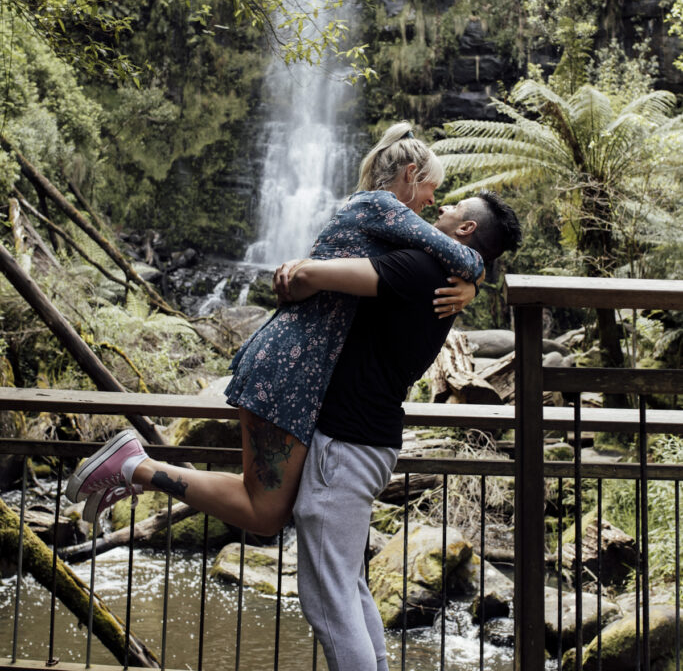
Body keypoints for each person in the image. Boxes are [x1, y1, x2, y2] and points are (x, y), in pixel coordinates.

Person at [66, 123, 483, 530]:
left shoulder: (373, 212)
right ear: (410, 174)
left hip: (294, 364)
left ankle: (133, 471)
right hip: (291, 365)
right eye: (431, 188)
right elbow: (463, 256)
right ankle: (136, 466)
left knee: (266, 507)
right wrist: (474, 282)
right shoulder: (382, 205)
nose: (433, 201)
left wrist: (471, 287)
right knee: (264, 511)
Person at [275, 192, 522, 671]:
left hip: (346, 441)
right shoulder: (443, 273)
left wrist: (293, 275)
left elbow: (306, 277)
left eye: (454, 207)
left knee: (326, 602)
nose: (440, 207)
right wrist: (477, 279)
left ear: (466, 229)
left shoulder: (421, 268)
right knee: (347, 586)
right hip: (369, 439)